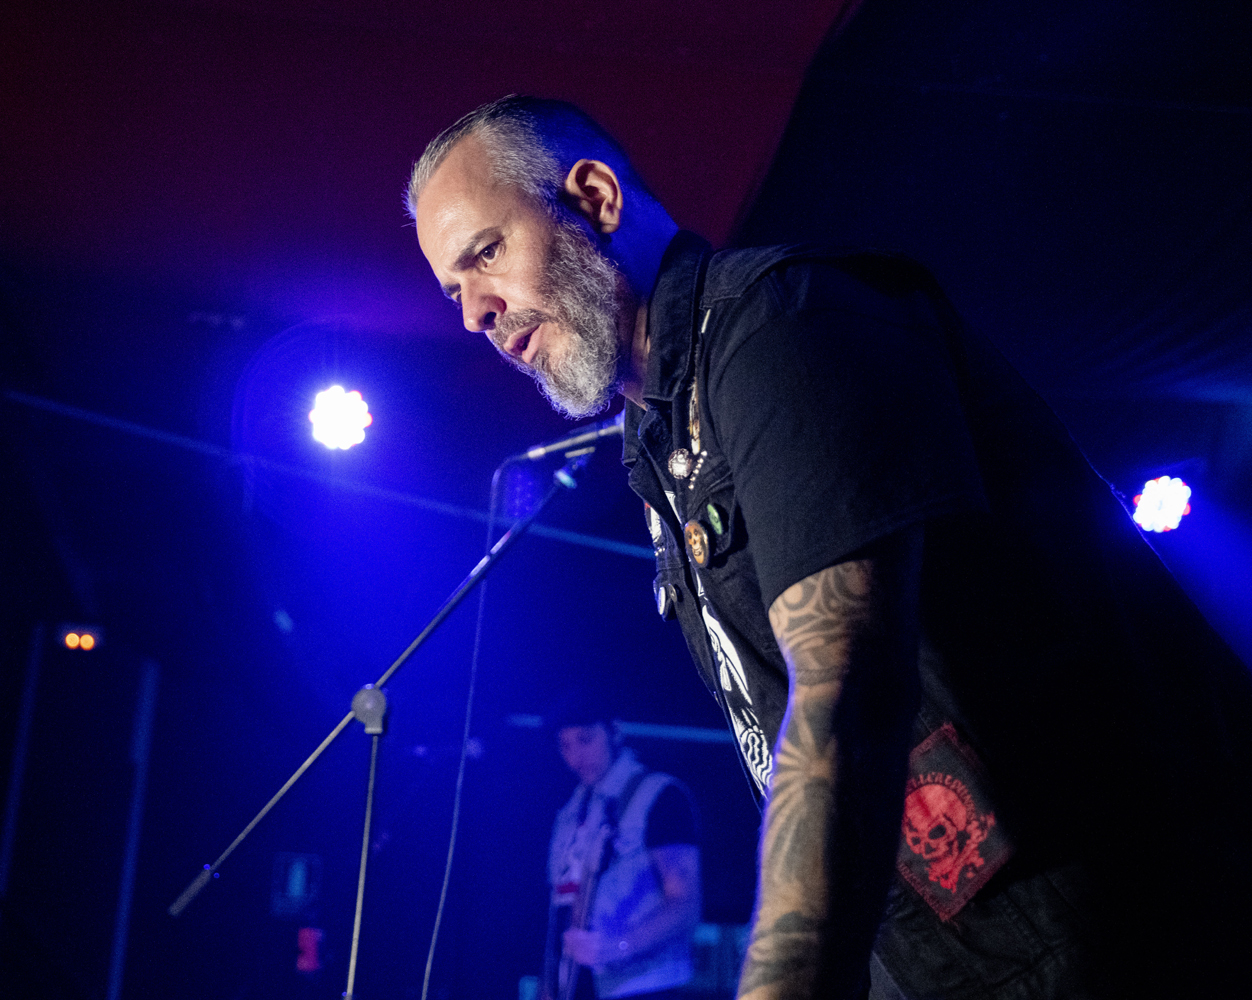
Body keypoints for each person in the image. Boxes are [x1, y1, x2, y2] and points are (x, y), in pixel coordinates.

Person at [405, 96, 1252, 999]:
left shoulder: (782, 324)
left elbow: (848, 687)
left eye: (486, 254)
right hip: (955, 950)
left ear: (596, 198)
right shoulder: (655, 446)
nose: (475, 314)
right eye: (453, 291)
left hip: (1115, 919)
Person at [544, 698, 700, 1000]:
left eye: (585, 740)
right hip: (576, 986)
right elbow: (561, 904)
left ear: (614, 731)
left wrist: (616, 947)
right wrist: (549, 981)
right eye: (565, 746)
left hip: (647, 986)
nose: (576, 756)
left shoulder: (661, 795)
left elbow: (685, 904)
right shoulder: (571, 811)